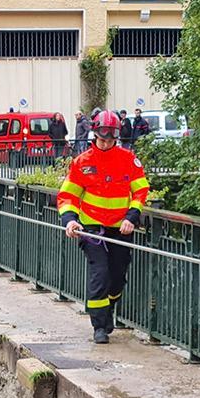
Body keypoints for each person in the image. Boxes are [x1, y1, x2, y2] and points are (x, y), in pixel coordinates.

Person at [57, 110, 150, 345]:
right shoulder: (82, 162)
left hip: (121, 227)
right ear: (94, 135)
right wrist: (70, 220)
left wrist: (133, 215)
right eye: (102, 138)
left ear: (116, 137)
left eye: (110, 139)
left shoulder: (128, 160)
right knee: (100, 273)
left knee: (117, 275)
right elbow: (66, 196)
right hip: (91, 228)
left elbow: (140, 191)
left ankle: (108, 308)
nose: (106, 142)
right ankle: (99, 326)